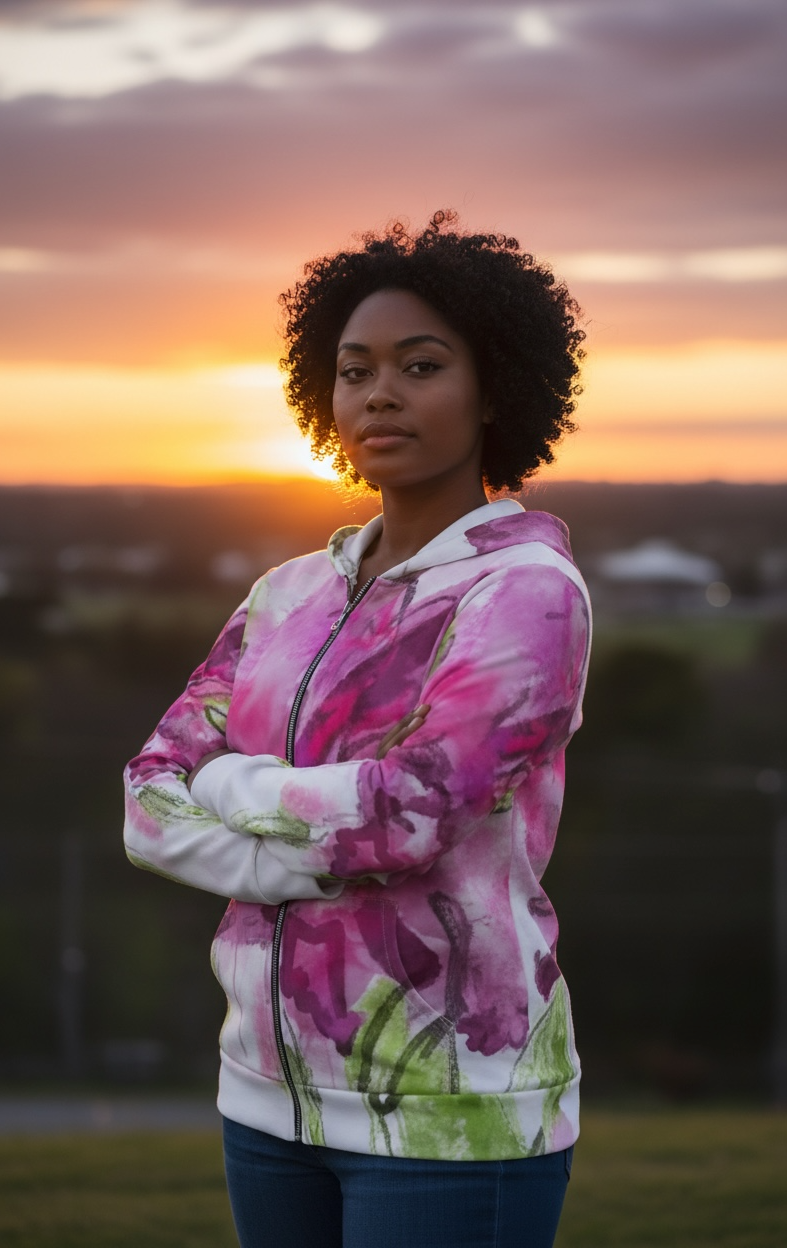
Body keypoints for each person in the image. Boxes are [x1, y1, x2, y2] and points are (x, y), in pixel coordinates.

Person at [123, 210, 591, 1248]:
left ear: (494, 389)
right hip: (262, 1094)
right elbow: (146, 800)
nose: (379, 393)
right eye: (354, 369)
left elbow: (408, 816)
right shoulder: (286, 593)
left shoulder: (526, 595)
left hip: (453, 1107)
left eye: (420, 366)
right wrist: (298, 863)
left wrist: (237, 788)